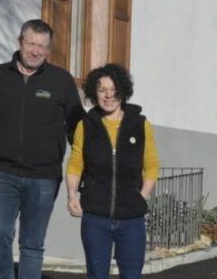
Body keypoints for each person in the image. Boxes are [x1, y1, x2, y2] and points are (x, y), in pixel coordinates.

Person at [0, 19, 84, 279]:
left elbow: (78, 129)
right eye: (31, 44)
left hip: (44, 176)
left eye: (42, 46)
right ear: (20, 42)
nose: (36, 51)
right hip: (2, 172)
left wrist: (84, 169)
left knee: (32, 244)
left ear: (48, 49)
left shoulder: (61, 80)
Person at [65, 63, 159, 279]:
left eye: (113, 89)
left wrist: (141, 195)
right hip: (95, 217)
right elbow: (76, 162)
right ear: (94, 94)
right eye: (101, 90)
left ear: (122, 91)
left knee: (132, 275)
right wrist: (72, 195)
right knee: (97, 275)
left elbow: (152, 164)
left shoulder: (141, 124)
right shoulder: (85, 125)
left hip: (131, 219)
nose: (108, 96)